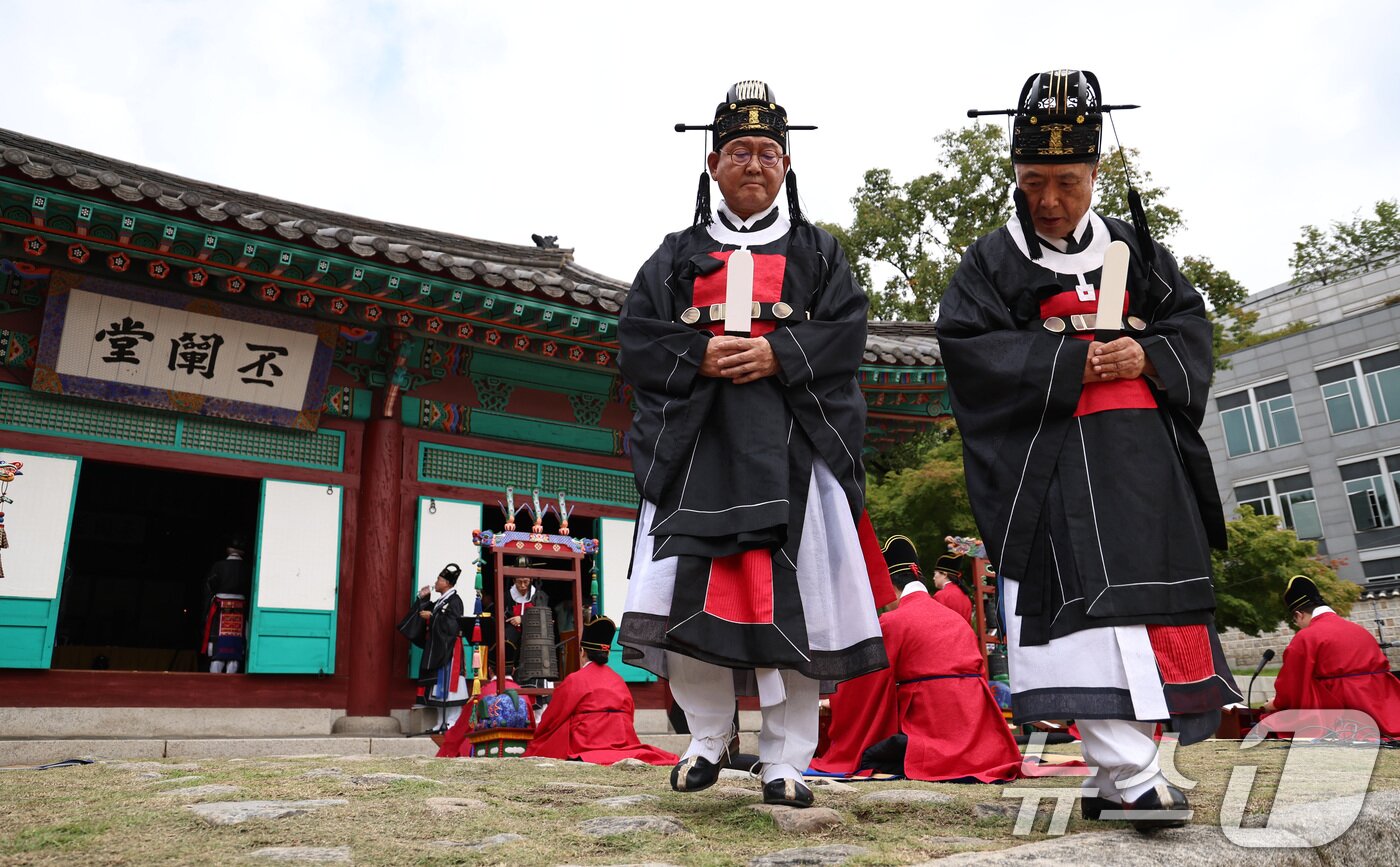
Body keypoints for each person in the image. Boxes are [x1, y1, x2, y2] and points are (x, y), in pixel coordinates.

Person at [938, 69, 1241, 830]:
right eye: (1033, 180)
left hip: (1142, 462)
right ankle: (1133, 773)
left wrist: (1146, 357)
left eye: (1066, 181)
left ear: (1096, 172)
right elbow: (969, 354)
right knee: (1084, 616)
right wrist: (1071, 362)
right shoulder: (989, 265)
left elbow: (1189, 330)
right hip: (1054, 464)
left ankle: (1119, 772)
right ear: (1014, 174)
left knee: (1152, 613)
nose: (1048, 199)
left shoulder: (1139, 251)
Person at [617, 80, 886, 809]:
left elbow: (848, 334)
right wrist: (698, 356)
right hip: (698, 451)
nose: (756, 165)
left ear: (787, 163)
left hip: (792, 454)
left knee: (798, 604)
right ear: (712, 163)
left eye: (769, 152)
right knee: (689, 595)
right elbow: (637, 339)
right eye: (741, 151)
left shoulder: (819, 253)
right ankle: (706, 738)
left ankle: (787, 759)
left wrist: (779, 355)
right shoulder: (675, 257)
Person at [813, 536, 1022, 781]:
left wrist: (834, 701)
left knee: (872, 757)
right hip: (979, 731)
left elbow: (867, 682)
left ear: (889, 587)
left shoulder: (893, 621)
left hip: (932, 729)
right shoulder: (955, 618)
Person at [524, 617, 680, 765]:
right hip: (621, 739)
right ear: (608, 653)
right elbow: (629, 714)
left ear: (582, 651)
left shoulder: (575, 680)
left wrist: (538, 738)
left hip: (585, 743)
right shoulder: (619, 680)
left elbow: (553, 718)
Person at [1262, 575, 1400, 736]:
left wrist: (1275, 704)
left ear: (1299, 614)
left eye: (1296, 621)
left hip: (1342, 715)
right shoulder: (1359, 630)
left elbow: (1292, 686)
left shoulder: (1306, 637)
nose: (1298, 625)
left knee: (1266, 724)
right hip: (1384, 710)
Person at [403, 564, 468, 732]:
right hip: (439, 647)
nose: (436, 582)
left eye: (439, 580)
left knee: (451, 686)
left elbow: (452, 625)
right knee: (438, 686)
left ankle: (452, 721)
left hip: (450, 649)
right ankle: (440, 721)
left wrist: (432, 618)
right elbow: (429, 613)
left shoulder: (455, 601)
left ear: (446, 582)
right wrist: (424, 599)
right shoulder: (442, 600)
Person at [202, 535, 252, 674]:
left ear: (228, 549)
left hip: (220, 610)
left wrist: (206, 612)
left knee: (217, 647)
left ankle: (214, 681)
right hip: (240, 612)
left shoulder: (218, 566)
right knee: (236, 649)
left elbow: (209, 587)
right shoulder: (248, 569)